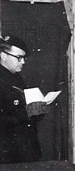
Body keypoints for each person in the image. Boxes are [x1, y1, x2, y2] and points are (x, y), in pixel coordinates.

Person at [0, 34, 45, 163]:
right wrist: (28, 112)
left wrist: (38, 109)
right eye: (19, 58)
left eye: (24, 58)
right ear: (3, 56)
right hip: (8, 152)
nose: (23, 62)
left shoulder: (15, 77)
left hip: (25, 148)